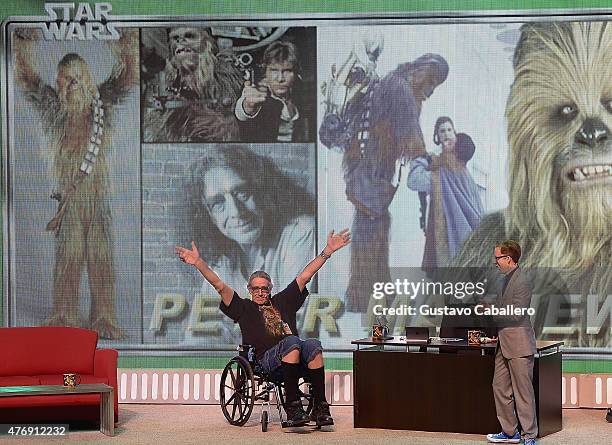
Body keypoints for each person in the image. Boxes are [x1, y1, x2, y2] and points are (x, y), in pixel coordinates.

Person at [176, 229, 351, 427]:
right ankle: (293, 407)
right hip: (265, 362)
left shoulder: (283, 302)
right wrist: (199, 263)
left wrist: (327, 251)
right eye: (256, 288)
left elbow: (305, 276)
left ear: (270, 289)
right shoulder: (243, 307)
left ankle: (320, 407)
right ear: (249, 290)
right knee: (292, 341)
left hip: (292, 356)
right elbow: (219, 285)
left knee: (313, 344)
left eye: (264, 288)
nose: (260, 292)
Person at [187, 145, 315, 298]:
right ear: (210, 216)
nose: (236, 212)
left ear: (261, 190)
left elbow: (291, 316)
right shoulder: (220, 264)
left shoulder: (301, 232)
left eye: (242, 192)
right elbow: (207, 320)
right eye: (218, 203)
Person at [407, 117, 484, 269]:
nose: (446, 134)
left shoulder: (460, 161)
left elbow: (413, 180)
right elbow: (414, 181)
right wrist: (425, 160)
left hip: (463, 222)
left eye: (449, 130)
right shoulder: (435, 164)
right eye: (442, 131)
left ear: (455, 134)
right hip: (443, 221)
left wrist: (423, 160)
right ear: (437, 136)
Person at [487, 240, 537, 445]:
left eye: (497, 258)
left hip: (519, 345)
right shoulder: (504, 280)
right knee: (499, 387)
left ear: (508, 259)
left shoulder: (522, 281)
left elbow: (516, 313)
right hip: (503, 343)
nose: (495, 262)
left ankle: (529, 435)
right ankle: (509, 432)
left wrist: (491, 313)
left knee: (523, 393)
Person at [234, 40, 313, 142]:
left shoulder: (300, 88)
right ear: (265, 70)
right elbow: (242, 112)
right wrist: (248, 106)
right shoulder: (257, 89)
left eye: (287, 71)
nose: (280, 78)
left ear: (296, 72)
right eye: (274, 70)